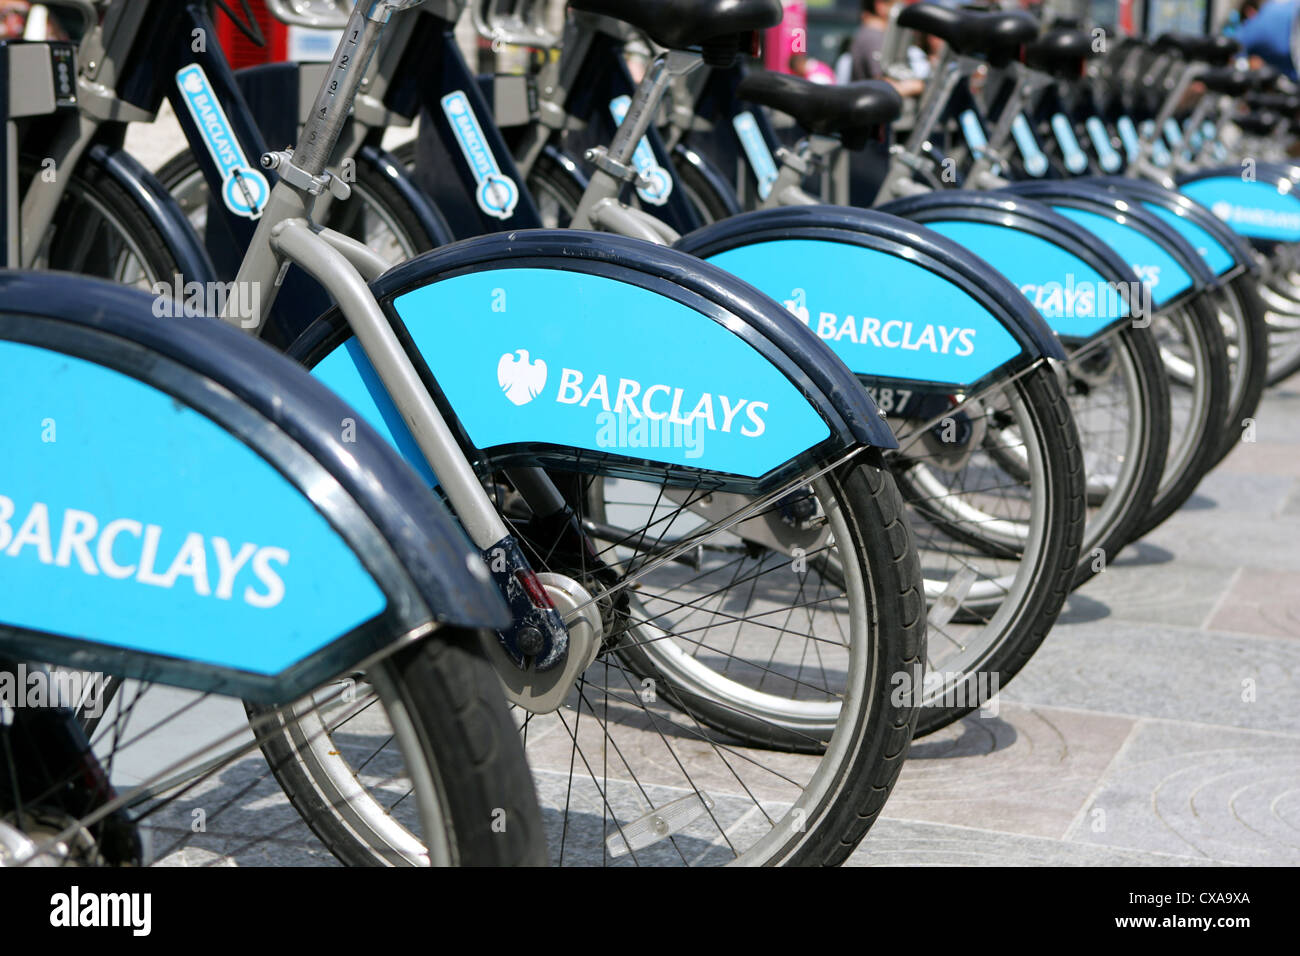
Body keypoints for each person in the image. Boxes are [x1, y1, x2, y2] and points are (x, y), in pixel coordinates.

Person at [849, 0, 925, 95]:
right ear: (880, 6)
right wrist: (918, 86)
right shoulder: (874, 36)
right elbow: (882, 86)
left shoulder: (872, 34)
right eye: (897, 5)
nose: (901, 11)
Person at [1234, 0, 1299, 81]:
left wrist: (1248, 64)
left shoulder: (1249, 29)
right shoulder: (1275, 6)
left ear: (1249, 12)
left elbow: (1234, 51)